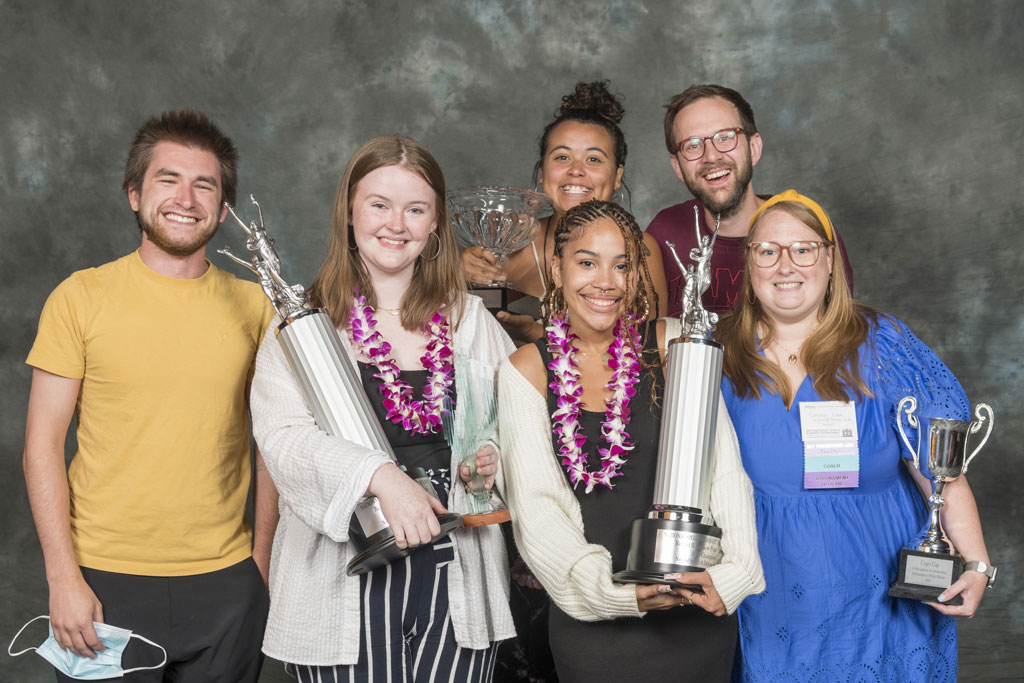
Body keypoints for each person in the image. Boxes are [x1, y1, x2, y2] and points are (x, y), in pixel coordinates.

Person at [22, 109, 275, 681]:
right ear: (135, 194)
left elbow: (275, 448)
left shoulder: (257, 307)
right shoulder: (80, 297)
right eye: (168, 180)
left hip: (227, 582)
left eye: (204, 184)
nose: (186, 198)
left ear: (223, 207)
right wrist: (63, 579)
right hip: (102, 580)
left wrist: (259, 568)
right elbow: (41, 446)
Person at [251, 135, 515, 682]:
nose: (397, 224)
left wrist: (488, 459)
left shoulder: (472, 323)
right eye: (379, 205)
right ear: (349, 212)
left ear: (436, 223)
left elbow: (514, 430)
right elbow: (282, 440)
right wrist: (378, 476)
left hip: (456, 577)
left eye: (416, 209)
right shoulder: (303, 327)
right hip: (338, 582)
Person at [717, 190, 993, 682]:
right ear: (749, 262)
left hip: (877, 587)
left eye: (803, 249)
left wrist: (976, 563)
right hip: (766, 586)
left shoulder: (883, 342)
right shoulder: (715, 353)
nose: (786, 264)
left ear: (829, 260)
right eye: (768, 250)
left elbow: (940, 470)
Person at [498, 200, 764, 683]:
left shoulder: (674, 344)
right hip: (594, 632)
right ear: (556, 270)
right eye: (587, 262)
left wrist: (737, 573)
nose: (606, 281)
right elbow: (538, 512)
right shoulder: (526, 372)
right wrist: (614, 593)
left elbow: (724, 471)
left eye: (622, 265)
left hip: (696, 613)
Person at [462, 81, 668, 344]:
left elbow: (647, 348)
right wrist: (457, 274)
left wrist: (536, 335)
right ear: (542, 172)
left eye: (593, 159)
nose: (576, 170)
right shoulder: (507, 243)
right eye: (562, 157)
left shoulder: (639, 249)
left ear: (617, 176)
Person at [646, 84, 854, 316]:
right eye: (693, 145)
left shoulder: (806, 230)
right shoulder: (661, 235)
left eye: (725, 138)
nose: (711, 156)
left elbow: (837, 331)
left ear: (753, 148)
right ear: (677, 166)